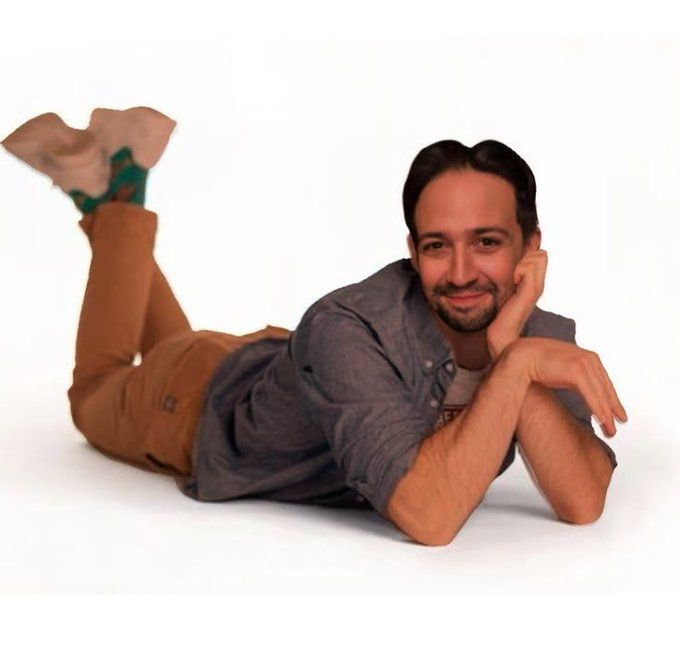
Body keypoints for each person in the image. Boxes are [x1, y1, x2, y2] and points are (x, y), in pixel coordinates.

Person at [1, 107, 627, 546]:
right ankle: (118, 192)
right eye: (439, 246)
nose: (461, 272)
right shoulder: (347, 326)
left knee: (176, 346)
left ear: (530, 247)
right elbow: (430, 518)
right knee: (96, 391)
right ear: (413, 251)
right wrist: (516, 367)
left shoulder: (531, 333)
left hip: (269, 365)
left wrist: (511, 350)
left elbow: (582, 500)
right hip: (190, 406)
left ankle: (109, 190)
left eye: (487, 242)